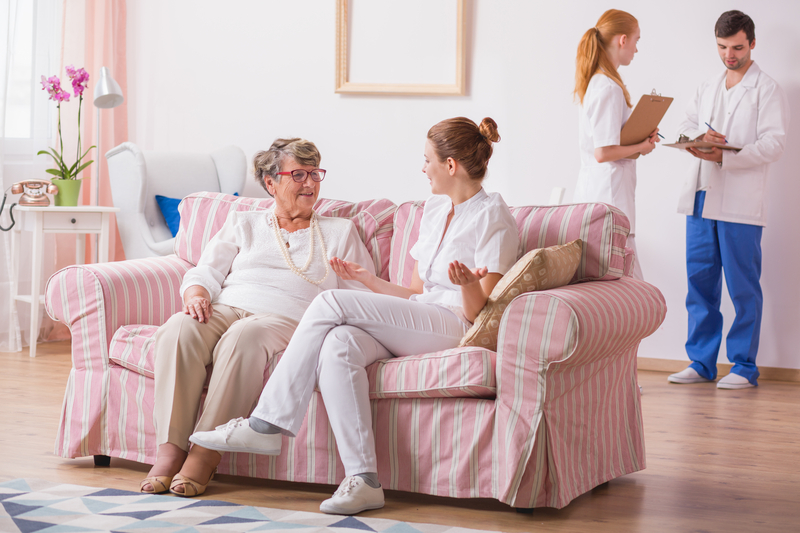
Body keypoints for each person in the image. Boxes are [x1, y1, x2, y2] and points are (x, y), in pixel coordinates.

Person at [190, 117, 520, 514]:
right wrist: (369, 280)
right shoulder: (433, 210)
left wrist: (468, 283)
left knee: (330, 304)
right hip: (422, 315)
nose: (423, 168)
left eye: (427, 159)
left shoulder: (494, 217)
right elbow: (416, 295)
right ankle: (364, 480)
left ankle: (266, 424)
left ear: (450, 166)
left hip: (456, 324)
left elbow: (481, 310)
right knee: (338, 345)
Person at [140, 138, 376, 496]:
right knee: (178, 328)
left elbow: (362, 296)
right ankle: (170, 450)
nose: (310, 184)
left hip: (286, 318)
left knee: (243, 336)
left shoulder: (339, 231)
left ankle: (203, 455)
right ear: (271, 183)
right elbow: (205, 271)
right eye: (298, 174)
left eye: (315, 174)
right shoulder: (243, 222)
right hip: (227, 305)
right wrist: (197, 292)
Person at [668, 11, 788, 389]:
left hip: (740, 203)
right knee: (700, 282)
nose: (729, 55)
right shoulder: (708, 85)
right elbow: (686, 124)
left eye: (737, 47)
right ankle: (701, 362)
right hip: (702, 198)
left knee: (742, 286)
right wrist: (698, 139)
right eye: (722, 48)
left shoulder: (767, 89)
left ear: (752, 43)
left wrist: (725, 155)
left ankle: (743, 366)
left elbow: (775, 143)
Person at [573, 9, 660, 280]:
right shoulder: (608, 88)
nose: (636, 49)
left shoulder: (600, 84)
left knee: (624, 288)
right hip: (608, 203)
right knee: (631, 289)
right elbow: (603, 152)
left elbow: (607, 143)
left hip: (604, 200)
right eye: (636, 40)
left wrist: (638, 138)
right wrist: (641, 148)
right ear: (622, 39)